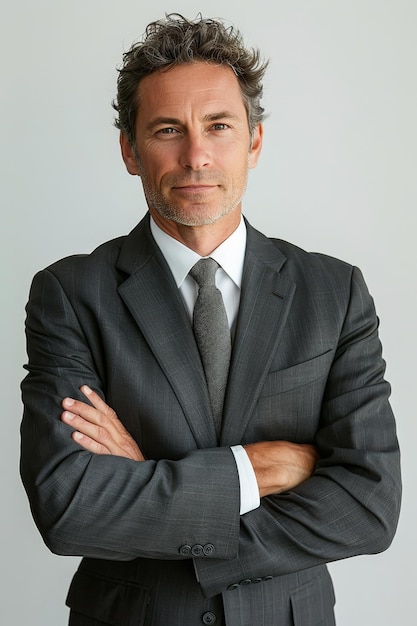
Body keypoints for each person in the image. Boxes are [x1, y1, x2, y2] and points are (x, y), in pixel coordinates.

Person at [20, 13, 401, 626]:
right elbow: (69, 508)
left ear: (253, 141)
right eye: (168, 129)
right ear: (129, 150)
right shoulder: (70, 294)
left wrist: (149, 483)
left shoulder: (335, 293)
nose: (196, 155)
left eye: (218, 126)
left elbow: (369, 505)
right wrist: (256, 471)